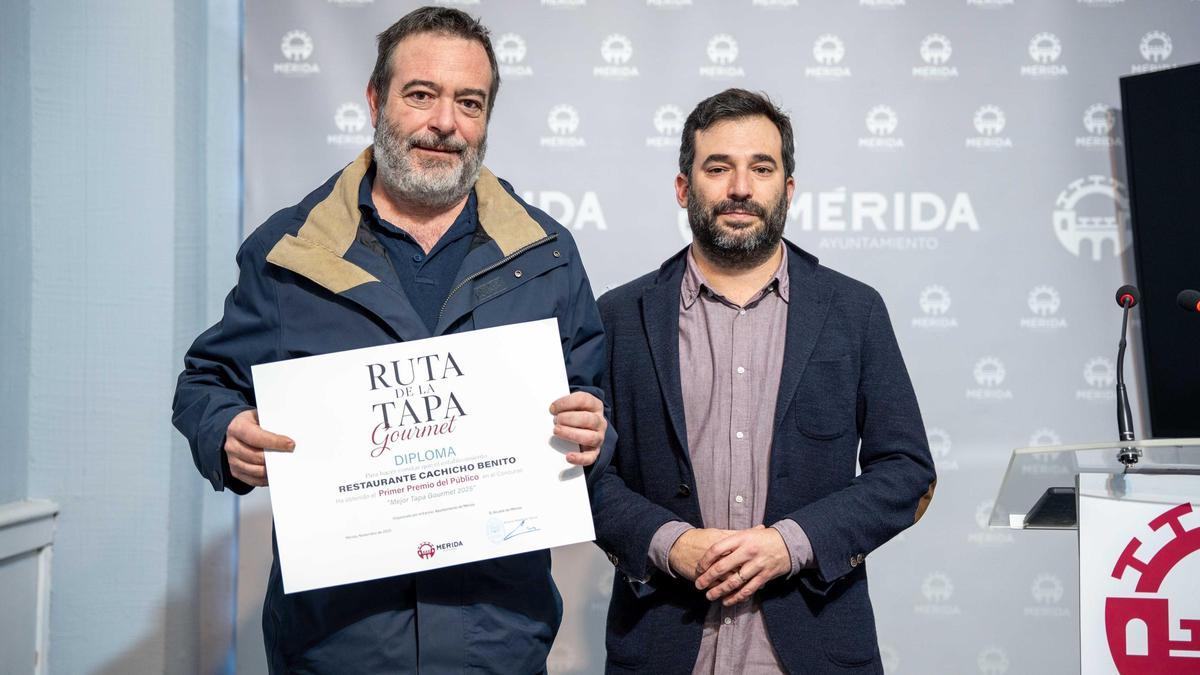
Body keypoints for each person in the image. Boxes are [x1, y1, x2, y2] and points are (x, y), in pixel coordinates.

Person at [172, 7, 612, 673]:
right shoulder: (290, 251)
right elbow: (204, 384)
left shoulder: (546, 253)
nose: (445, 123)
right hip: (335, 646)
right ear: (375, 101)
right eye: (421, 95)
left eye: (469, 102)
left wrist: (592, 427)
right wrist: (226, 431)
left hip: (497, 646)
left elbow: (593, 395)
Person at [591, 88, 936, 674]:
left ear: (788, 189)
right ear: (683, 188)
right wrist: (668, 542)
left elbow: (906, 471)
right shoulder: (620, 316)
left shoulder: (854, 311)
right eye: (718, 167)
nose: (741, 188)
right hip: (663, 649)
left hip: (815, 649)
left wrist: (792, 543)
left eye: (761, 168)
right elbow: (585, 481)